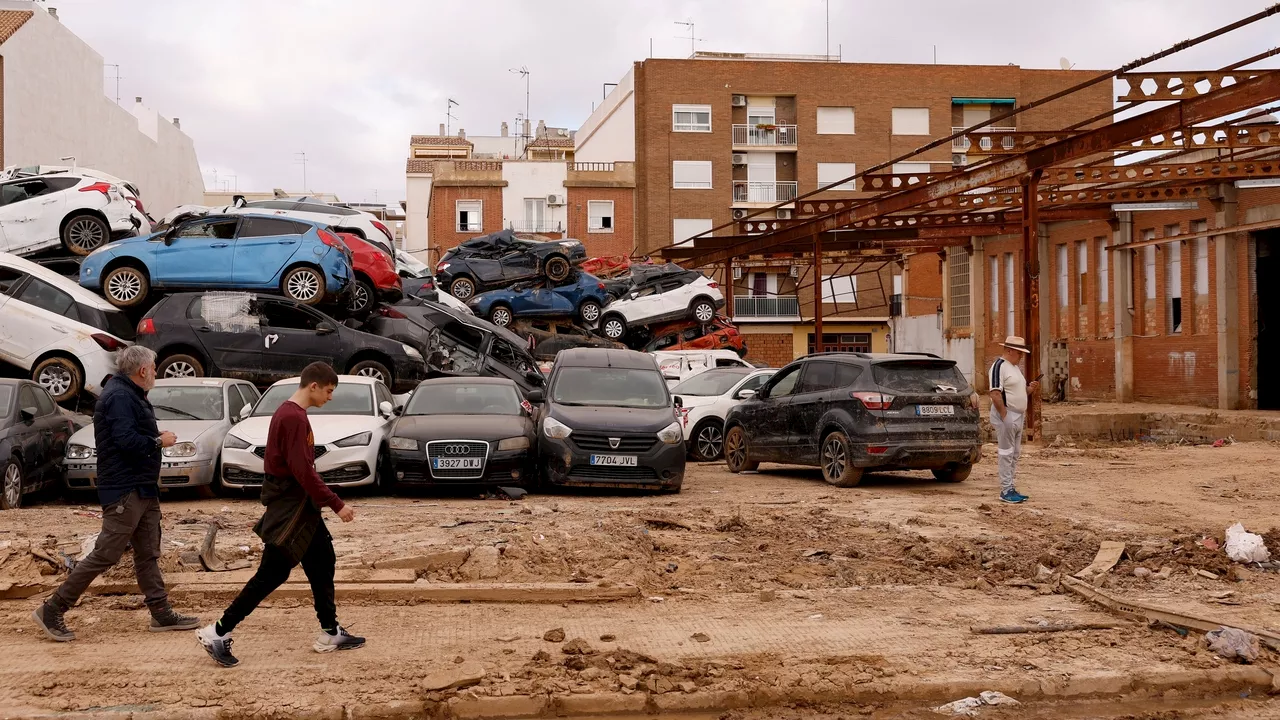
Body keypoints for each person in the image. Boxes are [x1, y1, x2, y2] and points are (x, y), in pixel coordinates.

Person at [196, 362, 362, 667]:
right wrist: (336, 503)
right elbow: (302, 471)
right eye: (329, 391)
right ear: (313, 386)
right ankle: (217, 631)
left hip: (301, 508)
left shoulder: (290, 414)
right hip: (291, 510)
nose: (330, 397)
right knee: (271, 575)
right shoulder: (292, 418)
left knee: (323, 561)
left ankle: (329, 631)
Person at [32, 346, 198, 641]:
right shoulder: (120, 396)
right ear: (143, 370)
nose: (157, 373)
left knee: (148, 554)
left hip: (143, 487)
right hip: (125, 489)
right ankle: (52, 608)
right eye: (155, 368)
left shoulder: (131, 394)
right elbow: (125, 440)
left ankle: (161, 613)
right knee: (106, 554)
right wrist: (159, 442)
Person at [988, 335, 1040, 504]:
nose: (1021, 356)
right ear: (1010, 351)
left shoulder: (1015, 367)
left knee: (1014, 453)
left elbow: (1018, 391)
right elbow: (995, 393)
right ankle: (1005, 489)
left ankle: (1010, 486)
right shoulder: (999, 366)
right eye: (1019, 353)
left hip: (1018, 415)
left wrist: (1029, 389)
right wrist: (1004, 415)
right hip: (1007, 414)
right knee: (1006, 452)